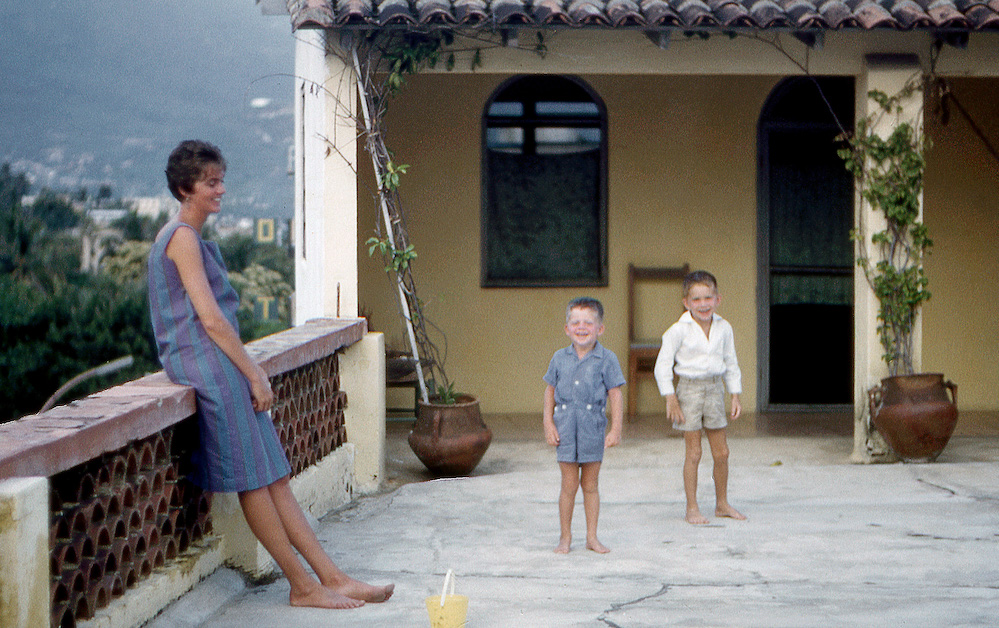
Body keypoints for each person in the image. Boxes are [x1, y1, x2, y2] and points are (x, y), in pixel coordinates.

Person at [148, 140, 393, 609]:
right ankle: (302, 587)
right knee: (255, 483)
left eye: (221, 180)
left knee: (275, 476)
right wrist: (255, 374)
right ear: (184, 189)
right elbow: (212, 320)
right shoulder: (180, 237)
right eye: (210, 183)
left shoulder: (187, 237)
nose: (220, 190)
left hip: (217, 366)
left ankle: (331, 576)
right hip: (211, 370)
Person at [653, 270, 747, 525]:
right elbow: (662, 366)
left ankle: (722, 503)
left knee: (722, 453)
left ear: (717, 299)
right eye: (696, 299)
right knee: (694, 453)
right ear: (686, 302)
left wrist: (734, 394)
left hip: (715, 390)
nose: (703, 304)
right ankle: (692, 507)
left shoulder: (724, 327)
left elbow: (731, 362)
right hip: (689, 392)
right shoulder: (677, 330)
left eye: (708, 298)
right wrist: (670, 398)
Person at [543, 297, 625, 554]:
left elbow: (615, 394)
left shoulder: (607, 359)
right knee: (568, 485)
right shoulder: (559, 358)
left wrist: (616, 429)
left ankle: (592, 537)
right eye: (575, 322)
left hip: (593, 428)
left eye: (588, 323)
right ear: (567, 328)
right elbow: (549, 391)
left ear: (600, 328)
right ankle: (565, 537)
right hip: (565, 427)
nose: (581, 327)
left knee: (590, 485)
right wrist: (548, 423)